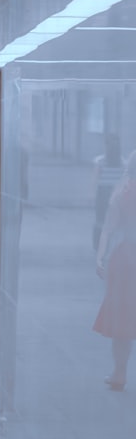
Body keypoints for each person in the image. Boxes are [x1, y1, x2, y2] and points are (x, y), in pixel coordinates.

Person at [94, 150, 136, 391]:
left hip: (126, 259)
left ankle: (119, 372)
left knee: (123, 321)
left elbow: (108, 229)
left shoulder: (123, 193)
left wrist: (100, 257)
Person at [93, 133, 124, 250]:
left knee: (100, 220)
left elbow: (95, 179)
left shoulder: (99, 161)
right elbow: (123, 180)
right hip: (117, 194)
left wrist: (92, 195)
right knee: (116, 221)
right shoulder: (123, 162)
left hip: (102, 193)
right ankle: (113, 245)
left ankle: (98, 245)